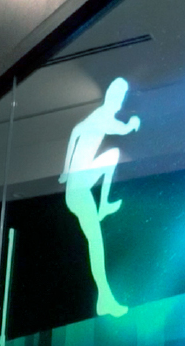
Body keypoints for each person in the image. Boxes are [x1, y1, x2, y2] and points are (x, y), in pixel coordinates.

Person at [59, 78, 140, 317]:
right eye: (118, 97)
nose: (119, 102)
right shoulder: (103, 116)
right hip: (78, 192)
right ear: (111, 97)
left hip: (80, 186)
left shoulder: (98, 116)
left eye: (121, 98)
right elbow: (121, 129)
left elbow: (75, 131)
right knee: (96, 244)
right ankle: (105, 298)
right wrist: (132, 123)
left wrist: (66, 170)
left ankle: (104, 204)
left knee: (113, 154)